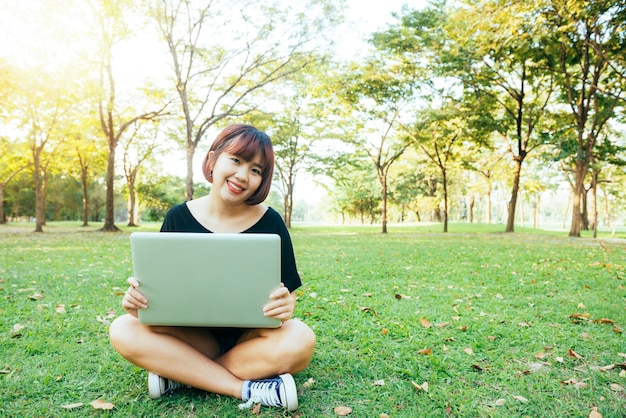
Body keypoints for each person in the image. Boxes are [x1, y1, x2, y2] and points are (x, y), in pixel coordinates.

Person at [109, 124, 316, 412]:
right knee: (123, 328)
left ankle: (180, 375)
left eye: (256, 170)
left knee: (301, 339)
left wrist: (285, 305)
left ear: (262, 180)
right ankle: (242, 387)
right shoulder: (178, 217)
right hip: (195, 338)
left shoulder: (271, 222)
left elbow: (287, 296)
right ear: (212, 160)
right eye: (236, 160)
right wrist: (139, 302)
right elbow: (160, 289)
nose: (243, 176)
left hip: (252, 340)